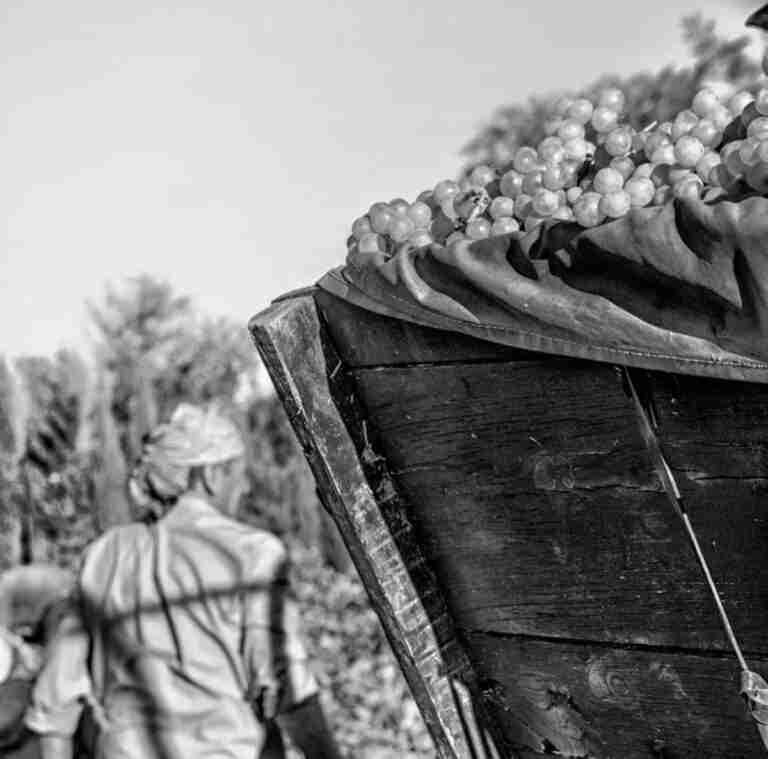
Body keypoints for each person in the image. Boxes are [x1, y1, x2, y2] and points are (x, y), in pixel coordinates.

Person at [25, 403, 342, 759]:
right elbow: (286, 685)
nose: (246, 487)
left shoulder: (103, 556)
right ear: (210, 476)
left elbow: (56, 701)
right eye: (238, 473)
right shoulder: (250, 553)